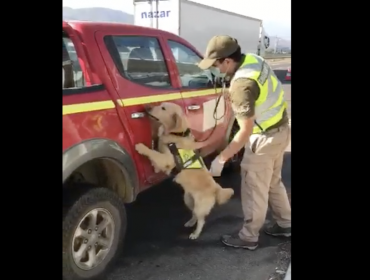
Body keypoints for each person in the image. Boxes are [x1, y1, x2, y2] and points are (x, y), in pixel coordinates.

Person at [198, 35, 291, 250]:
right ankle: (286, 224)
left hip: (264, 138)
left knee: (253, 187)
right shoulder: (254, 59)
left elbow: (245, 130)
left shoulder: (241, 86)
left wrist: (221, 158)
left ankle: (248, 237)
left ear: (228, 61)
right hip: (280, 129)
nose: (215, 69)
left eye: (216, 64)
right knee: (272, 183)